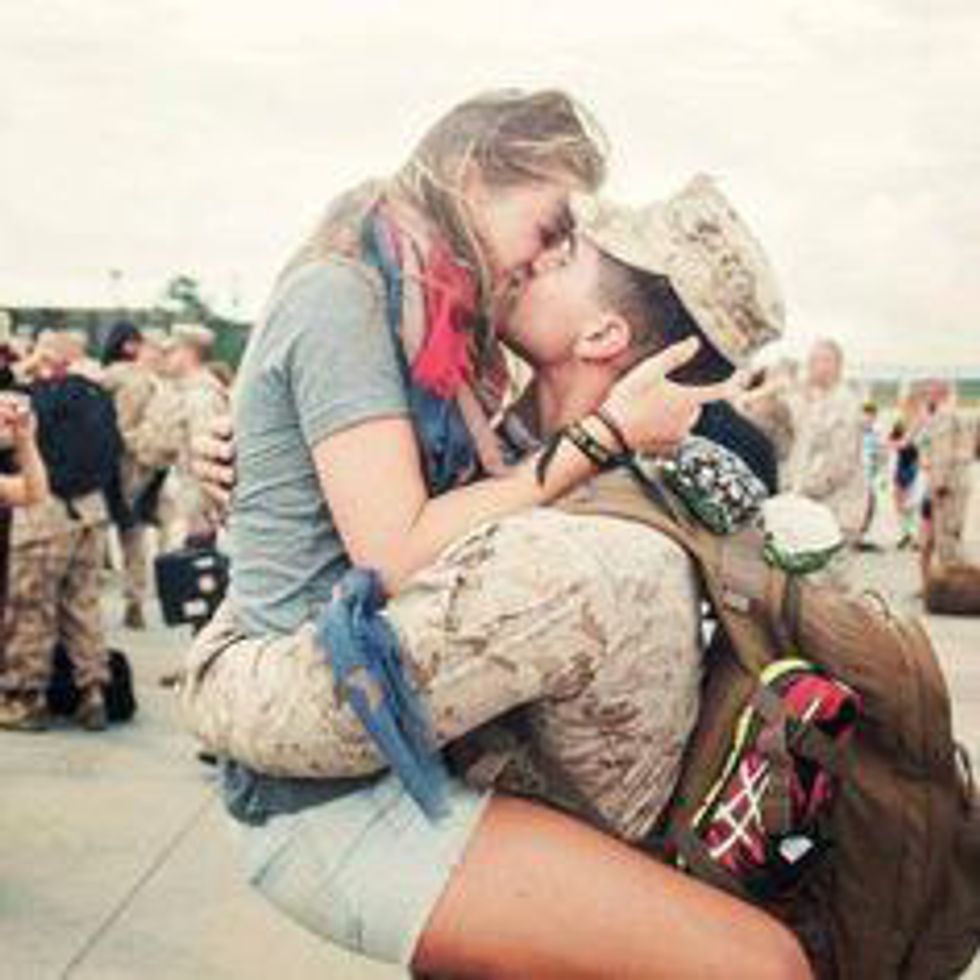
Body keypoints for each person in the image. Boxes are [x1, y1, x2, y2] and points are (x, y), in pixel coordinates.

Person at [182, 90, 808, 979]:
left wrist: (216, 664)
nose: (543, 255)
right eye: (552, 227)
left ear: (603, 332)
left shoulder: (559, 545)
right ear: (474, 177)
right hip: (451, 807)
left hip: (353, 781)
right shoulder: (539, 441)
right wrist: (258, 453)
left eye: (566, 245)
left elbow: (335, 702)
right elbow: (393, 510)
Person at [0, 336, 112, 731]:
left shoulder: (30, 399)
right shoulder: (98, 396)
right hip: (91, 510)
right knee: (83, 606)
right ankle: (92, 692)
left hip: (44, 512)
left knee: (32, 607)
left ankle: (24, 698)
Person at [783, 339, 866, 544]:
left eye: (816, 361)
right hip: (815, 509)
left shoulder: (845, 403)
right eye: (810, 361)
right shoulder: (816, 401)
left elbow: (839, 463)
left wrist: (802, 491)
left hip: (835, 510)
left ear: (834, 365)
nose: (810, 367)